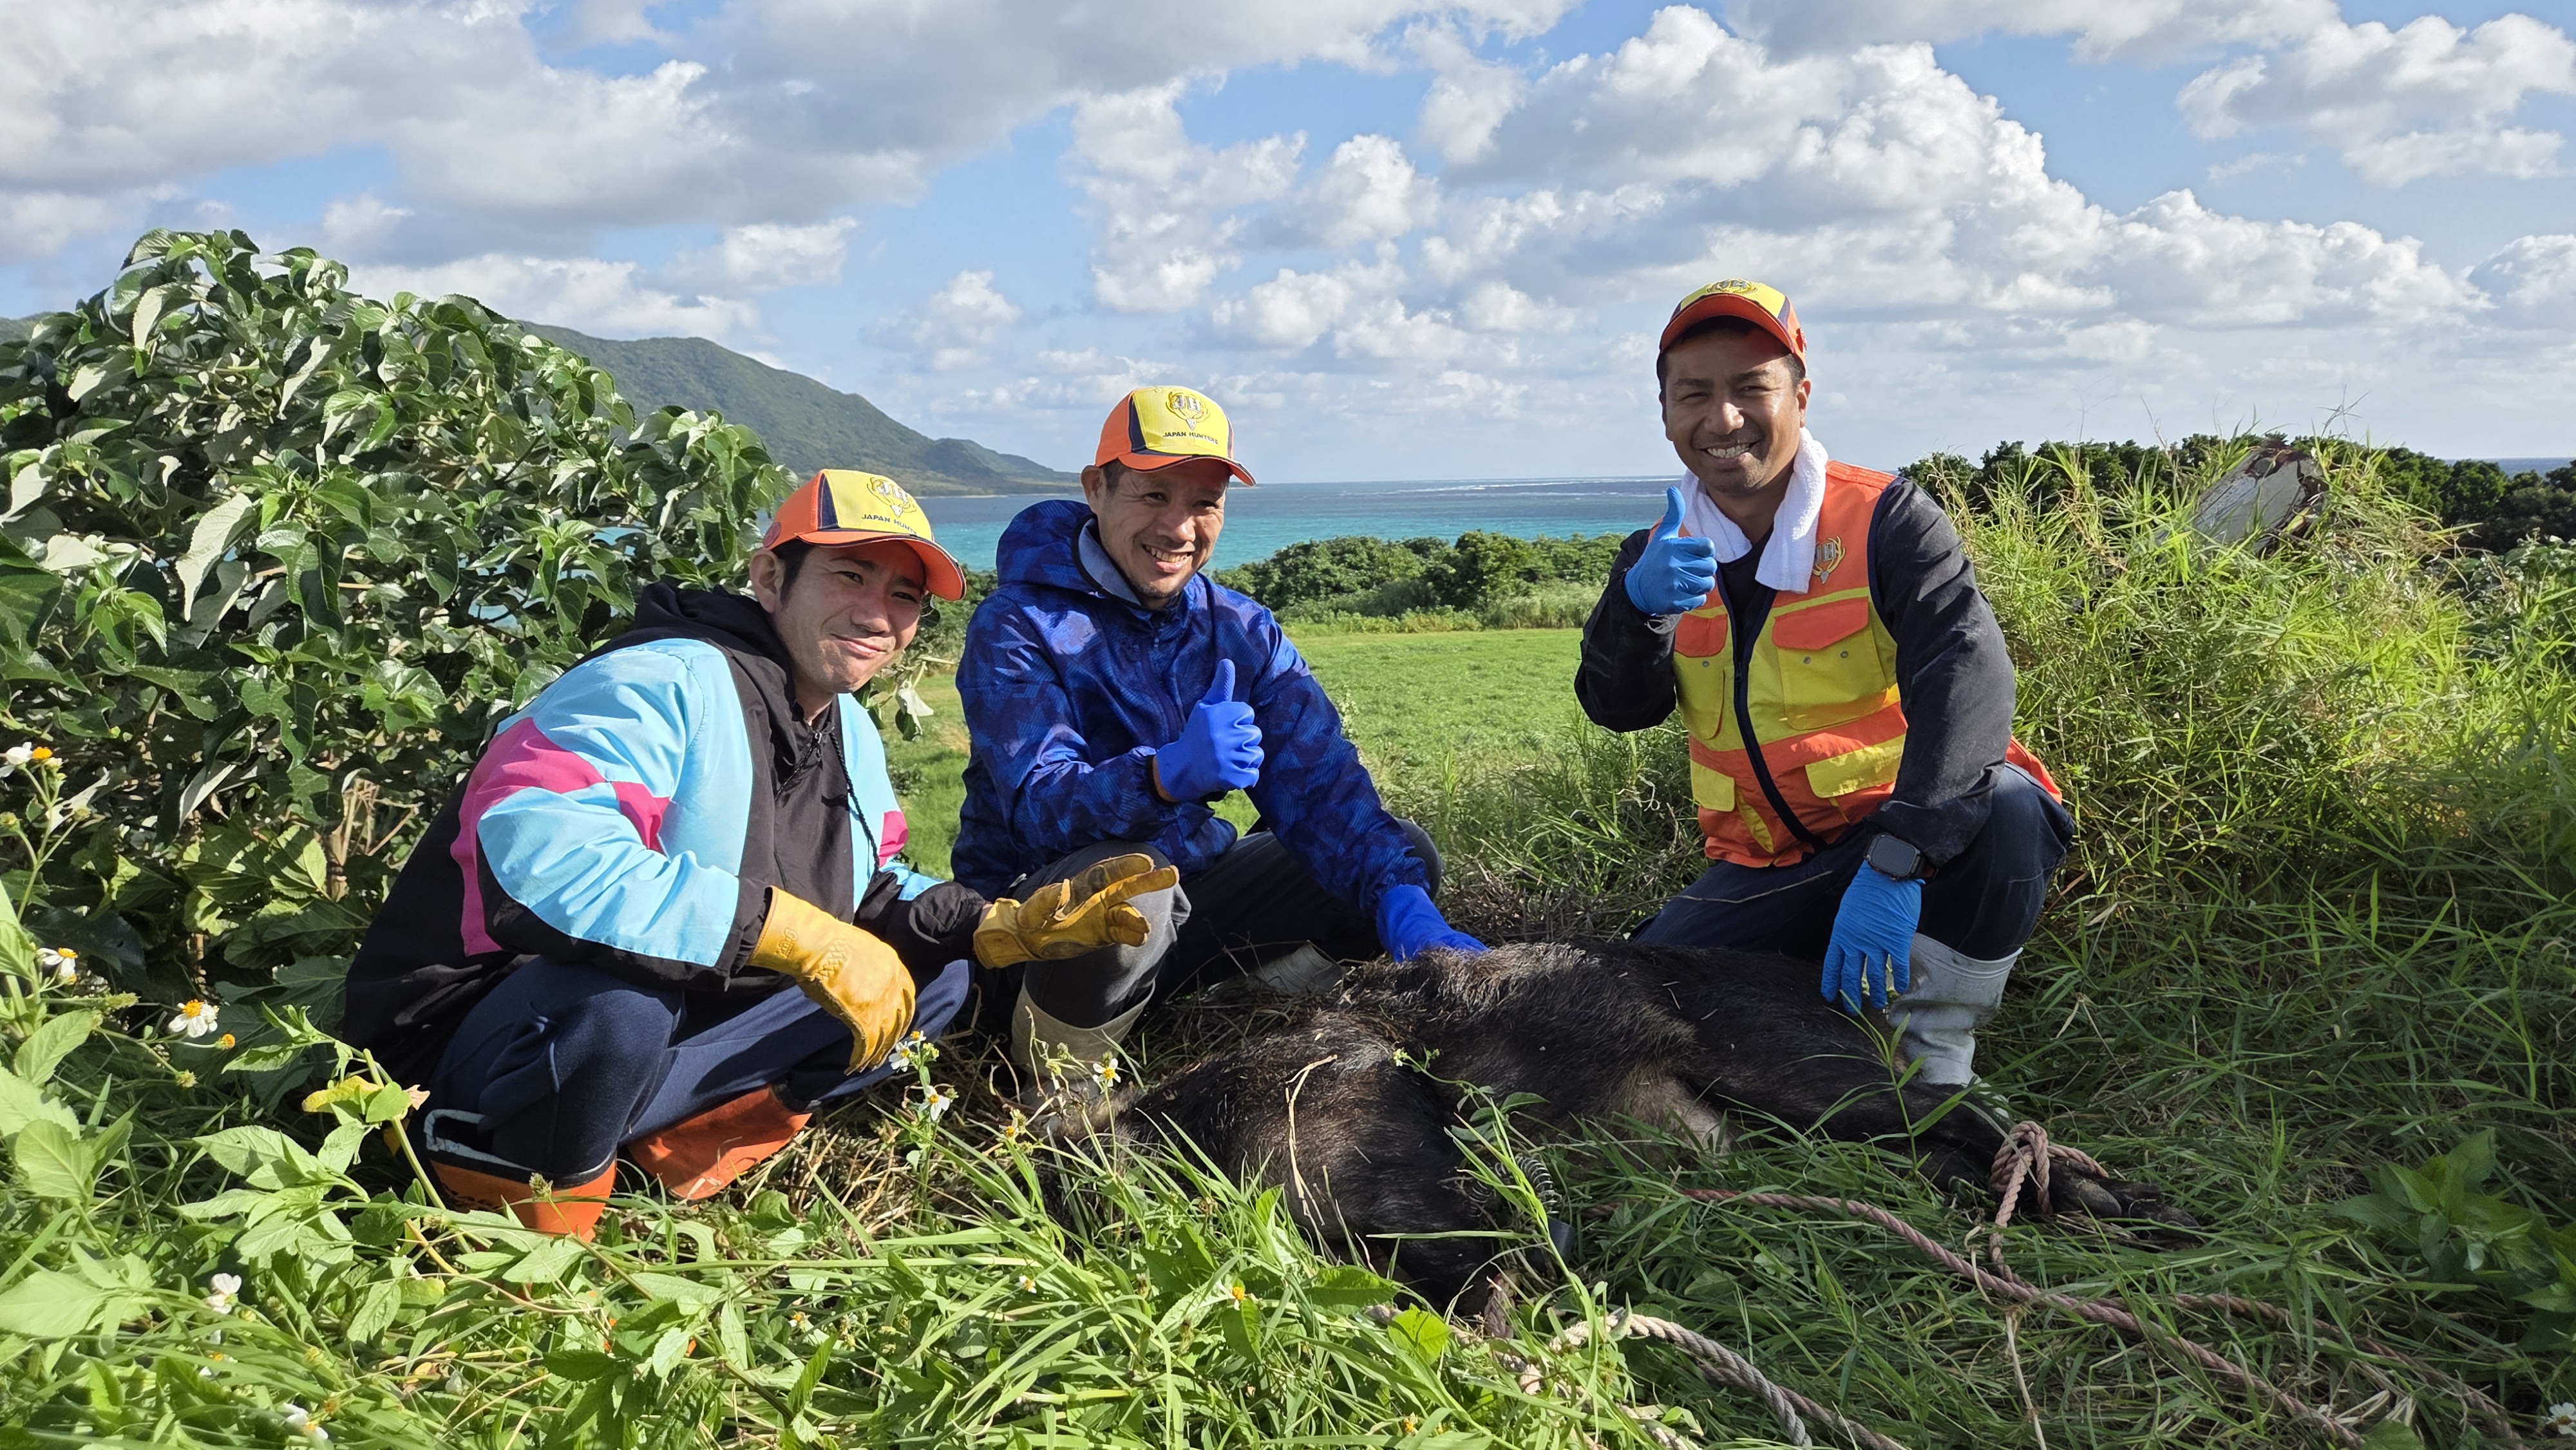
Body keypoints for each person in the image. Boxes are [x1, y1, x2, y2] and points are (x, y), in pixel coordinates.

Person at [341, 469, 1170, 1236]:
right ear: (771, 579)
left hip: (670, 1013)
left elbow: (870, 889)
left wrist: (997, 923)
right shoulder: (653, 681)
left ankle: (661, 1160)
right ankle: (511, 1212)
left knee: (934, 975)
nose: (878, 613)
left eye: (903, 594)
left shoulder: (845, 726)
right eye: (850, 576)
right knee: (614, 1003)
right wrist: (801, 935)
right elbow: (543, 865)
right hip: (468, 1041)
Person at [1577, 280, 2071, 1086]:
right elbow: (1619, 708)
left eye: (1750, 388)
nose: (1722, 417)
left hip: (1903, 837)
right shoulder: (1655, 548)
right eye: (1693, 393)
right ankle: (1827, 1016)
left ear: (1799, 397)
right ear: (1664, 412)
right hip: (1769, 868)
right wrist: (1636, 613)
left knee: (2012, 803)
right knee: (1633, 994)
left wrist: (1898, 858)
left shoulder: (1887, 521)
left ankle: (1931, 1046)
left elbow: (1967, 680)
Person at [952, 386, 1481, 1095]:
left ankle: (1235, 1008)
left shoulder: (1238, 628)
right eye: (1153, 495)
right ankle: (1059, 1080)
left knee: (1400, 856)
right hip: (1036, 932)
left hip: (1185, 900)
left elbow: (1319, 785)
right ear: (1096, 488)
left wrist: (1398, 900)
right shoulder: (1018, 625)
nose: (1179, 526)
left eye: (1204, 502)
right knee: (1129, 882)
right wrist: (1161, 778)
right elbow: (1035, 806)